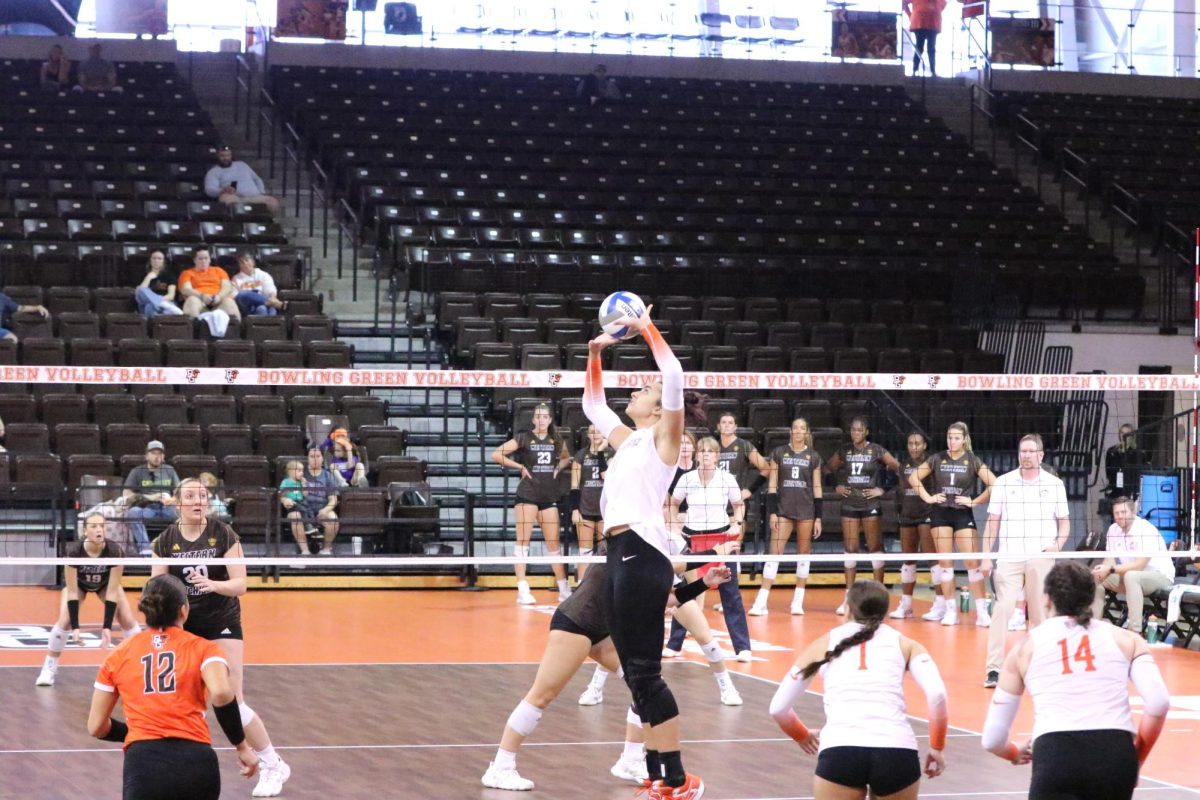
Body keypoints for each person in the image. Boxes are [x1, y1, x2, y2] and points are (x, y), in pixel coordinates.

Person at [582, 302, 708, 799]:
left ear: (660, 408)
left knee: (647, 675)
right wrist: (594, 354)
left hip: (642, 553)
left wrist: (646, 327)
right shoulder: (630, 441)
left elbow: (673, 371)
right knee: (635, 675)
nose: (637, 389)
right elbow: (594, 406)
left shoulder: (665, 440)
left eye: (645, 389)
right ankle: (657, 777)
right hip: (616, 553)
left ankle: (678, 780)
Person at [482, 554, 736, 791]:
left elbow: (664, 596)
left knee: (644, 687)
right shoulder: (624, 549)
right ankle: (500, 767)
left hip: (602, 631)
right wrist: (714, 551)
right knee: (541, 696)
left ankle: (630, 760)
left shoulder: (639, 553)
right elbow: (673, 567)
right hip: (576, 625)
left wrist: (704, 581)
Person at [981, 560, 1170, 800]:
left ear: (1047, 598)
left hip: (1057, 755)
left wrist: (1014, 753)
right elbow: (1159, 701)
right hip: (1114, 755)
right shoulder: (1127, 640)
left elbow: (992, 740)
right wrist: (1136, 759)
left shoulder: (1024, 648)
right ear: (1091, 598)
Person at [150, 478, 290, 797]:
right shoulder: (164, 541)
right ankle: (176, 770)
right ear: (178, 503)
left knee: (230, 698)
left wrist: (213, 585)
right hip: (185, 623)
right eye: (190, 496)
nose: (198, 500)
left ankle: (273, 764)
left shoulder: (222, 533)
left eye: (202, 495)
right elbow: (157, 589)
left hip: (221, 620)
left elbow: (241, 584)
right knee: (181, 701)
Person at [769, 580, 949, 800]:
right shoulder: (906, 644)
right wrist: (937, 747)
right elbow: (938, 694)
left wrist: (802, 735)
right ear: (885, 610)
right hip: (896, 751)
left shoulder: (823, 643)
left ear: (848, 608)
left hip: (841, 750)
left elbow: (778, 708)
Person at [88, 573, 259, 799]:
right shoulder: (204, 649)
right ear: (183, 611)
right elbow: (221, 693)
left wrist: (141, 731)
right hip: (196, 762)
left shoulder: (118, 655)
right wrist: (242, 747)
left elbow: (96, 727)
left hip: (144, 764)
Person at [979, 434, 1070, 689]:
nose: (1026, 455)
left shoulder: (1054, 484)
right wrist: (986, 556)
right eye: (1023, 451)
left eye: (1031, 451)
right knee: (1003, 608)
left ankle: (1038, 666)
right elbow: (992, 522)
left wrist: (1057, 545)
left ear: (1041, 455)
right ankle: (994, 669)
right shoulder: (1004, 483)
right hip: (1009, 556)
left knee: (1039, 613)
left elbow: (1064, 522)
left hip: (1040, 555)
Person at [665, 437, 752, 662]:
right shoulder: (687, 479)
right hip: (692, 540)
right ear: (697, 455)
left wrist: (738, 523)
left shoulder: (727, 479)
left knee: (730, 592)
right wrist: (674, 525)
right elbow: (673, 503)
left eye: (710, 451)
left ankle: (743, 647)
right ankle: (674, 645)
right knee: (687, 593)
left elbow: (738, 505)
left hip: (721, 538)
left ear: (716, 456)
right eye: (702, 451)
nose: (705, 454)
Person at [36, 513, 140, 687]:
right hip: (79, 585)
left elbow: (113, 592)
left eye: (102, 526)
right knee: (65, 621)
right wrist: (76, 628)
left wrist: (106, 627)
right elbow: (71, 593)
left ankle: (138, 666)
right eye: (93, 526)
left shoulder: (114, 551)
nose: (99, 530)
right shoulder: (74, 552)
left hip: (105, 584)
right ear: (84, 531)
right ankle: (49, 667)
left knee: (127, 619)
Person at [909, 422, 998, 627]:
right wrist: (928, 497)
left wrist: (975, 501)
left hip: (962, 514)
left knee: (972, 564)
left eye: (956, 438)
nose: (952, 441)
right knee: (945, 564)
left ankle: (982, 612)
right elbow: (913, 477)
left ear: (964, 439)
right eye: (950, 437)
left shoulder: (972, 460)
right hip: (940, 513)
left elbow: (995, 483)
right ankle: (951, 611)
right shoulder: (937, 458)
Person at [492, 403, 572, 604]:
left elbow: (566, 458)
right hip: (527, 494)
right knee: (523, 542)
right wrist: (519, 466)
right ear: (533, 419)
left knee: (554, 544)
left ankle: (563, 589)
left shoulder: (556, 438)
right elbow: (497, 454)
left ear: (550, 419)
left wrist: (557, 469)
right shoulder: (524, 437)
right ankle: (522, 589)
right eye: (538, 416)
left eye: (545, 416)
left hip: (548, 496)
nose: (541, 420)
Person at [825, 417, 900, 612]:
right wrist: (837, 486)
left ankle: (879, 597)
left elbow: (898, 468)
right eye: (852, 430)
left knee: (875, 547)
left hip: (871, 503)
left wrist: (883, 489)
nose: (855, 433)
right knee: (850, 549)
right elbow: (827, 468)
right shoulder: (844, 450)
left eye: (859, 430)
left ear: (866, 431)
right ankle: (849, 599)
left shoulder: (876, 450)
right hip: (849, 503)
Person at [751, 416, 824, 617]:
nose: (799, 431)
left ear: (807, 433)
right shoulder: (779, 453)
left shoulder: (814, 456)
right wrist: (773, 512)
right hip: (783, 510)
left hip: (806, 511)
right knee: (774, 553)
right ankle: (761, 601)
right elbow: (772, 484)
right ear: (790, 431)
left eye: (803, 428)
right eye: (795, 428)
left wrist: (818, 517)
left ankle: (797, 602)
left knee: (804, 553)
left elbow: (817, 488)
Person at [1090, 496, 1175, 636]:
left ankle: (1135, 631)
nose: (1120, 516)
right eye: (1116, 513)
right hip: (1130, 577)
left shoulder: (1145, 530)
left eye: (1123, 512)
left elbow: (1140, 566)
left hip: (1159, 576)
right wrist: (1103, 570)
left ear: (1133, 512)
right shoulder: (1113, 530)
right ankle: (1093, 626)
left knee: (1131, 576)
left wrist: (1111, 569)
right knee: (1096, 577)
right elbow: (1109, 560)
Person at [891, 431, 934, 620]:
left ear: (924, 445)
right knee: (908, 561)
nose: (914, 447)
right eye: (910, 443)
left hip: (927, 514)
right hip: (907, 515)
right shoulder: (904, 465)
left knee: (933, 560)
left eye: (918, 443)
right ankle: (906, 605)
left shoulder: (931, 463)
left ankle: (940, 604)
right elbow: (900, 491)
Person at [280, 448, 343, 557]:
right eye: (312, 456)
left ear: (322, 459)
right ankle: (305, 551)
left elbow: (333, 500)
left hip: (321, 509)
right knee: (295, 516)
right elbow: (283, 492)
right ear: (308, 459)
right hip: (301, 508)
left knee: (333, 519)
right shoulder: (299, 472)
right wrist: (285, 500)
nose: (315, 459)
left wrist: (325, 510)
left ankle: (326, 550)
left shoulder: (328, 476)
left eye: (318, 456)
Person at [122, 439, 179, 556]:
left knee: (184, 512)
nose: (157, 457)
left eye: (160, 453)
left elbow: (180, 492)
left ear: (163, 456)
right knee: (133, 512)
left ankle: (176, 547)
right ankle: (145, 549)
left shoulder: (170, 470)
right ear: (146, 456)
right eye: (153, 453)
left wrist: (171, 499)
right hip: (147, 508)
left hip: (168, 508)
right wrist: (150, 497)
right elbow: (126, 493)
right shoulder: (137, 471)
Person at [570, 424, 610, 582]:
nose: (595, 434)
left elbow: (605, 476)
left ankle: (602, 586)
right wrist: (575, 510)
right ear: (587, 435)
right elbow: (574, 485)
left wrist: (600, 452)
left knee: (604, 552)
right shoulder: (581, 455)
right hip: (585, 509)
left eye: (599, 431)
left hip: (605, 511)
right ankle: (581, 585)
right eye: (592, 432)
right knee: (585, 551)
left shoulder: (611, 453)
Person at [204, 146, 281, 215]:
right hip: (235, 197)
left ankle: (268, 224)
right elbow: (209, 190)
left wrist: (262, 192)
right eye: (223, 156)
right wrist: (222, 190)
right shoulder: (214, 171)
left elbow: (257, 179)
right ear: (218, 156)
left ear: (231, 156)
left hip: (254, 197)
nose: (226, 158)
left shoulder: (242, 164)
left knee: (272, 202)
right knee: (227, 200)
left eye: (228, 155)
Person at [178, 246, 240, 326]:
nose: (203, 261)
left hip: (218, 302)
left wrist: (219, 296)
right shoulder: (187, 273)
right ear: (194, 260)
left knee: (229, 302)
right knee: (192, 300)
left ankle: (236, 334)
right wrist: (202, 296)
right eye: (200, 259)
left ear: (210, 259)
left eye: (206, 258)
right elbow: (186, 289)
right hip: (199, 302)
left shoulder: (219, 271)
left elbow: (227, 287)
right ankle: (193, 335)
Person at [231, 253, 286, 318]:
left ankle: (268, 304)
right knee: (242, 294)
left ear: (253, 262)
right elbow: (236, 297)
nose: (245, 263)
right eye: (241, 262)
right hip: (247, 308)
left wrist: (272, 298)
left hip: (263, 308)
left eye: (247, 260)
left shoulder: (263, 275)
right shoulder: (236, 278)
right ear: (239, 265)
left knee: (262, 309)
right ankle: (269, 302)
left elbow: (271, 291)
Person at [903, 0, 946, 76]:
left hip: (931, 22)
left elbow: (943, 4)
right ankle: (916, 69)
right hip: (922, 22)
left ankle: (928, 70)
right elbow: (904, 3)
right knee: (922, 47)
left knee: (928, 48)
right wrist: (911, 15)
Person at [135, 249, 184, 317]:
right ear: (150, 260)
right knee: (141, 291)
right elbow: (139, 293)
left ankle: (160, 306)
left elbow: (171, 295)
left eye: (159, 259)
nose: (156, 261)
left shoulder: (169, 275)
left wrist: (158, 301)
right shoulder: (143, 274)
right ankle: (160, 304)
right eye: (154, 258)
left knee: (150, 307)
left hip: (167, 302)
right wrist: (148, 278)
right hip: (148, 304)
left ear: (163, 261)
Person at [1104, 424, 1147, 500]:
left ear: (1132, 436)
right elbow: (1108, 471)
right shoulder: (1112, 451)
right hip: (1115, 490)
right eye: (1122, 433)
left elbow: (1139, 472)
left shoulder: (1137, 453)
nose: (1124, 435)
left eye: (1127, 433)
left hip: (1131, 490)